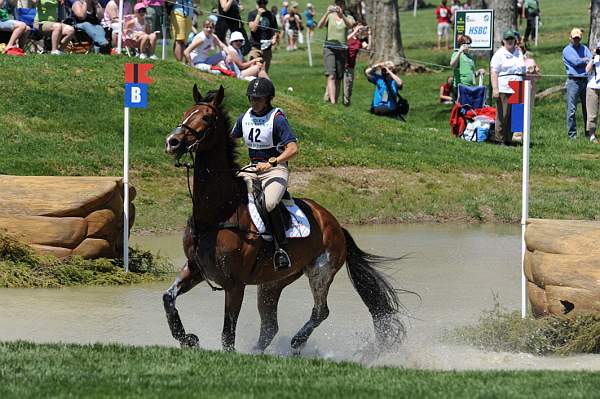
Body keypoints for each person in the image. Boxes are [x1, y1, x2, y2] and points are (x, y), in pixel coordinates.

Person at [231, 78, 299, 271]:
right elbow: (230, 139)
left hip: (275, 169)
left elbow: (293, 149)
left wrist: (272, 162)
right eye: (252, 98)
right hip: (251, 168)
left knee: (269, 203)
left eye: (258, 99)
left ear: (268, 99)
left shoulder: (276, 119)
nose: (254, 102)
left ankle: (281, 249)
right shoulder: (244, 118)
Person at [490, 29, 526, 145]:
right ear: (503, 41)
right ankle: (499, 139)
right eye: (507, 39)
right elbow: (494, 72)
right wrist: (495, 88)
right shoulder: (499, 54)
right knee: (503, 114)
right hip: (505, 86)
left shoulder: (519, 52)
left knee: (515, 115)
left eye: (512, 39)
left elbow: (523, 69)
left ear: (515, 40)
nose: (510, 41)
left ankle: (509, 139)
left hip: (518, 85)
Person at [317, 0, 355, 105]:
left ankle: (335, 101)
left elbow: (350, 25)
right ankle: (333, 101)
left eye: (341, 3)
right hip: (329, 48)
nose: (338, 5)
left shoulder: (348, 17)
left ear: (344, 5)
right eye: (337, 3)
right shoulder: (330, 16)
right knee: (331, 75)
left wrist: (342, 15)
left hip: (342, 50)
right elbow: (319, 26)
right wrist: (327, 13)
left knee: (338, 77)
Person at [563, 28, 592, 140]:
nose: (576, 40)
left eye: (578, 38)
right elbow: (575, 62)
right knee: (571, 110)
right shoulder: (567, 50)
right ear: (570, 38)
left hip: (585, 81)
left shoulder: (584, 48)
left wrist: (587, 60)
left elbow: (591, 60)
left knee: (587, 109)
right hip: (573, 82)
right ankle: (572, 135)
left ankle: (588, 133)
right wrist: (585, 60)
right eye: (574, 38)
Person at [450, 34, 485, 99]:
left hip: (471, 87)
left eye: (470, 43)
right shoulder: (456, 53)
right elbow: (452, 65)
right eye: (467, 43)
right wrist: (459, 52)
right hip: (461, 87)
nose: (469, 45)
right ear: (462, 44)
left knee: (469, 108)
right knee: (462, 108)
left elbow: (472, 74)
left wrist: (479, 72)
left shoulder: (470, 57)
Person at [344, 22, 370, 107]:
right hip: (342, 64)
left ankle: (346, 104)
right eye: (358, 29)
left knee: (348, 86)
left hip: (350, 66)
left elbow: (368, 48)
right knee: (335, 82)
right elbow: (345, 40)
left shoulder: (359, 41)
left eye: (360, 30)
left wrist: (370, 35)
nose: (359, 31)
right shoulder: (348, 37)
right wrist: (355, 31)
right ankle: (329, 100)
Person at [248, 0, 278, 73]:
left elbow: (274, 30)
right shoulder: (252, 14)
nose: (262, 5)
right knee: (253, 71)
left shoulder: (271, 15)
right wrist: (259, 14)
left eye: (264, 3)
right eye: (260, 3)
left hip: (267, 48)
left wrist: (274, 38)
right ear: (257, 3)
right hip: (255, 47)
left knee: (264, 72)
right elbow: (253, 29)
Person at [585, 41, 600, 144]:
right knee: (592, 114)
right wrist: (593, 57)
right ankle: (592, 135)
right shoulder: (595, 59)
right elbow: (587, 70)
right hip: (593, 88)